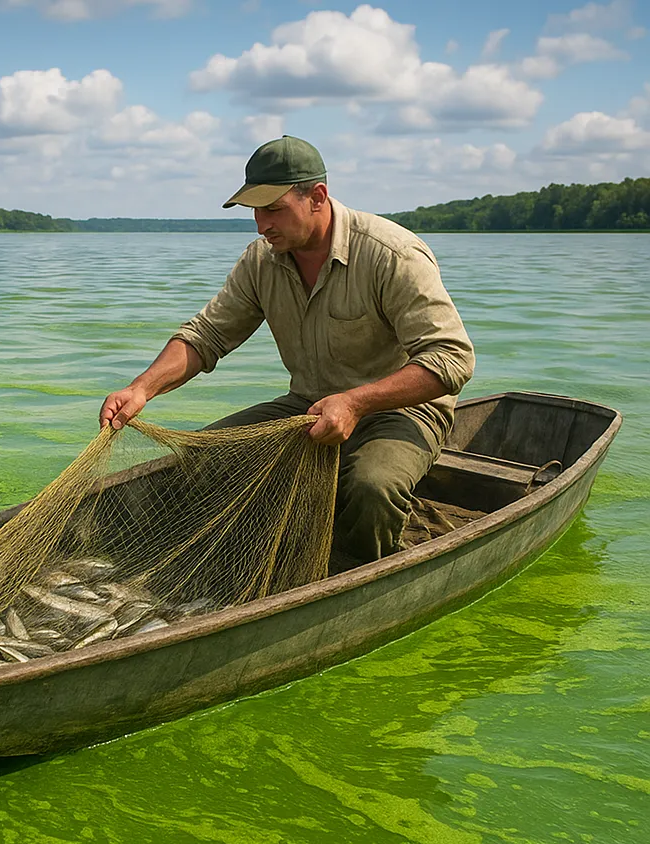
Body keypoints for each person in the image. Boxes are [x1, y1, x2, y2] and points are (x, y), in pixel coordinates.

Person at [99, 135, 475, 568]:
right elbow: (206, 336)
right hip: (308, 405)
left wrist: (355, 403)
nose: (262, 225)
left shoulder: (392, 254)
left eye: (273, 209)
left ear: (317, 197)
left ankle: (355, 574)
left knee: (372, 489)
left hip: (401, 410)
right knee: (203, 459)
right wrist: (142, 388)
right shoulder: (261, 260)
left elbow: (451, 358)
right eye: (255, 211)